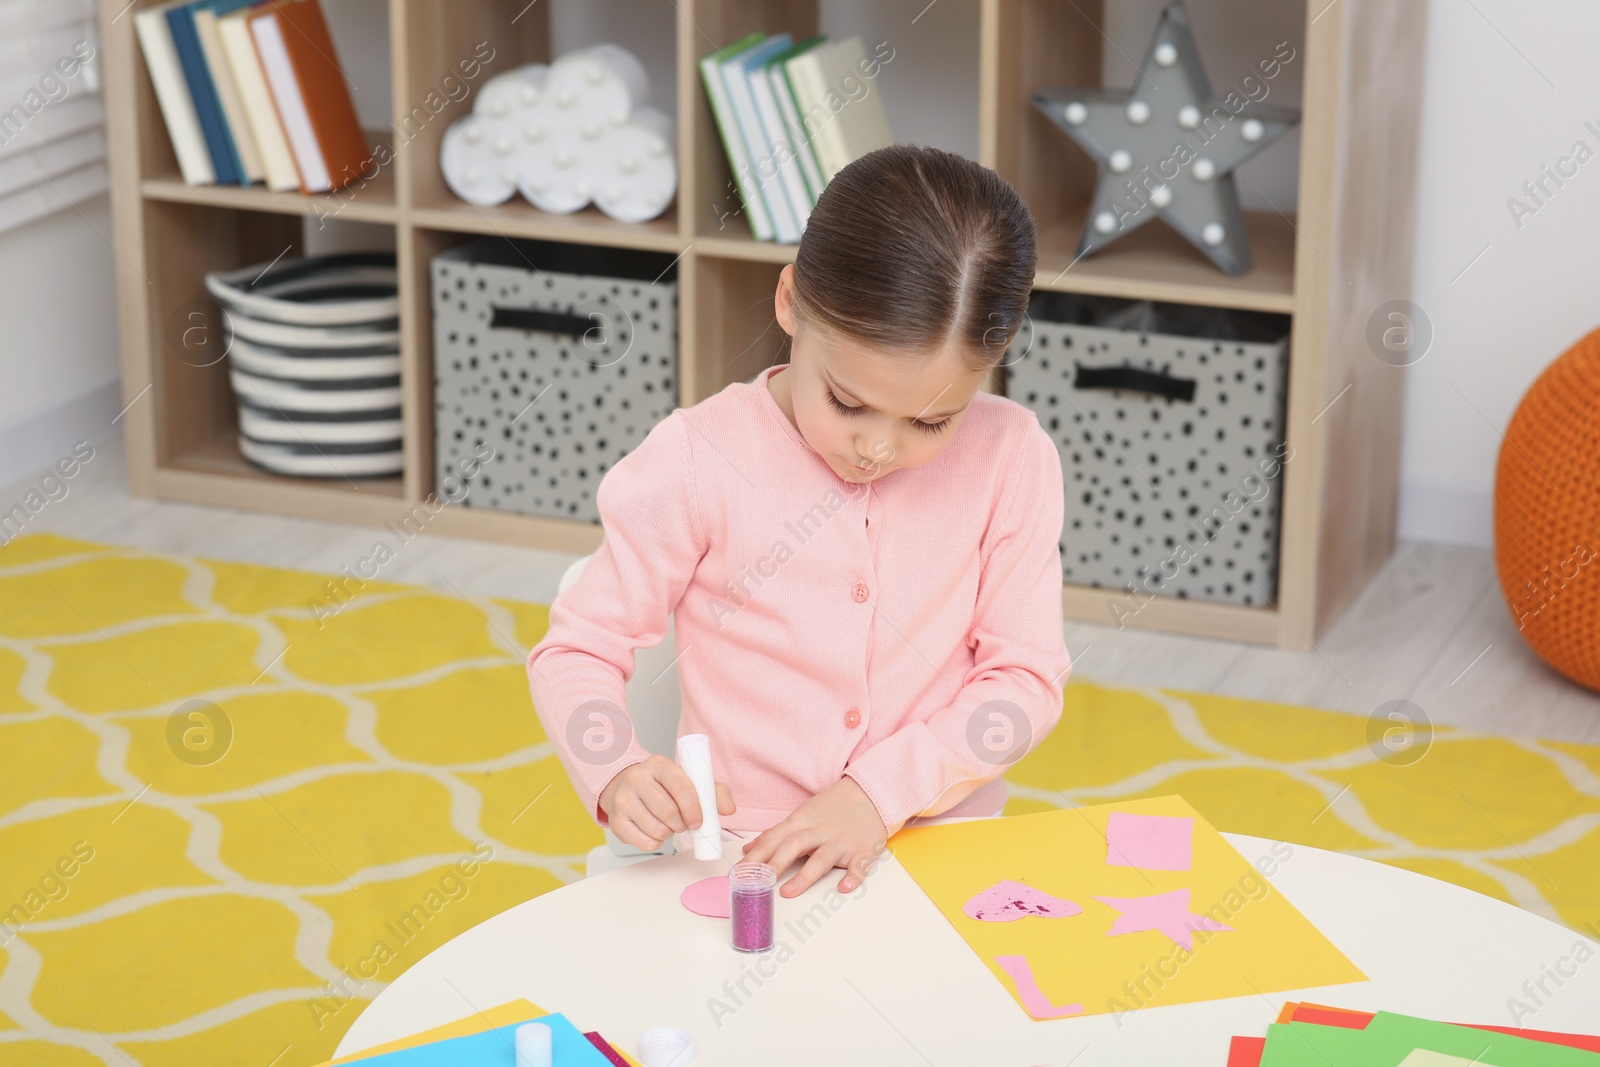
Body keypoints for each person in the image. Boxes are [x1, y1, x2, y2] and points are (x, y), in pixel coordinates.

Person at [526, 143, 1072, 900]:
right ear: (789, 302)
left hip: (941, 845)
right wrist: (614, 767)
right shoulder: (699, 459)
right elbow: (578, 646)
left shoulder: (1011, 457)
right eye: (848, 403)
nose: (878, 448)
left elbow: (1025, 680)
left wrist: (877, 795)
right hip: (741, 858)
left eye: (933, 420)